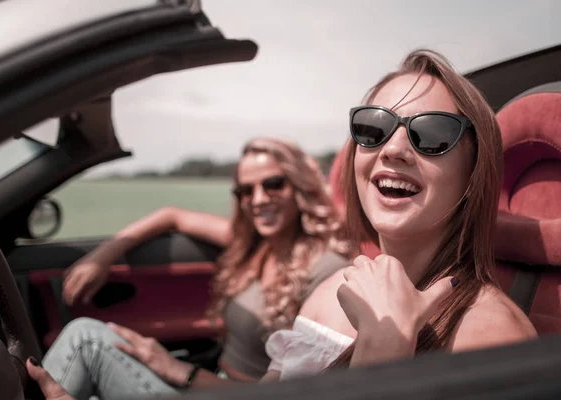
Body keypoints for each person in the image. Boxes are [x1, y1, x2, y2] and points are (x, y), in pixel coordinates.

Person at [27, 49, 539, 397]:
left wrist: (387, 352)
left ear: (474, 173)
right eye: (373, 129)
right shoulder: (335, 291)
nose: (394, 149)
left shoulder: (494, 338)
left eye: (432, 134)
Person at [32, 137, 350, 399]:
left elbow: (289, 394)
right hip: (207, 379)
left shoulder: (325, 272)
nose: (258, 199)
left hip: (220, 390)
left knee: (85, 339)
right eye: (245, 191)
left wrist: (180, 371)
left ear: (299, 187)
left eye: (273, 184)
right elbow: (173, 215)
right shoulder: (255, 244)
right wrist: (103, 255)